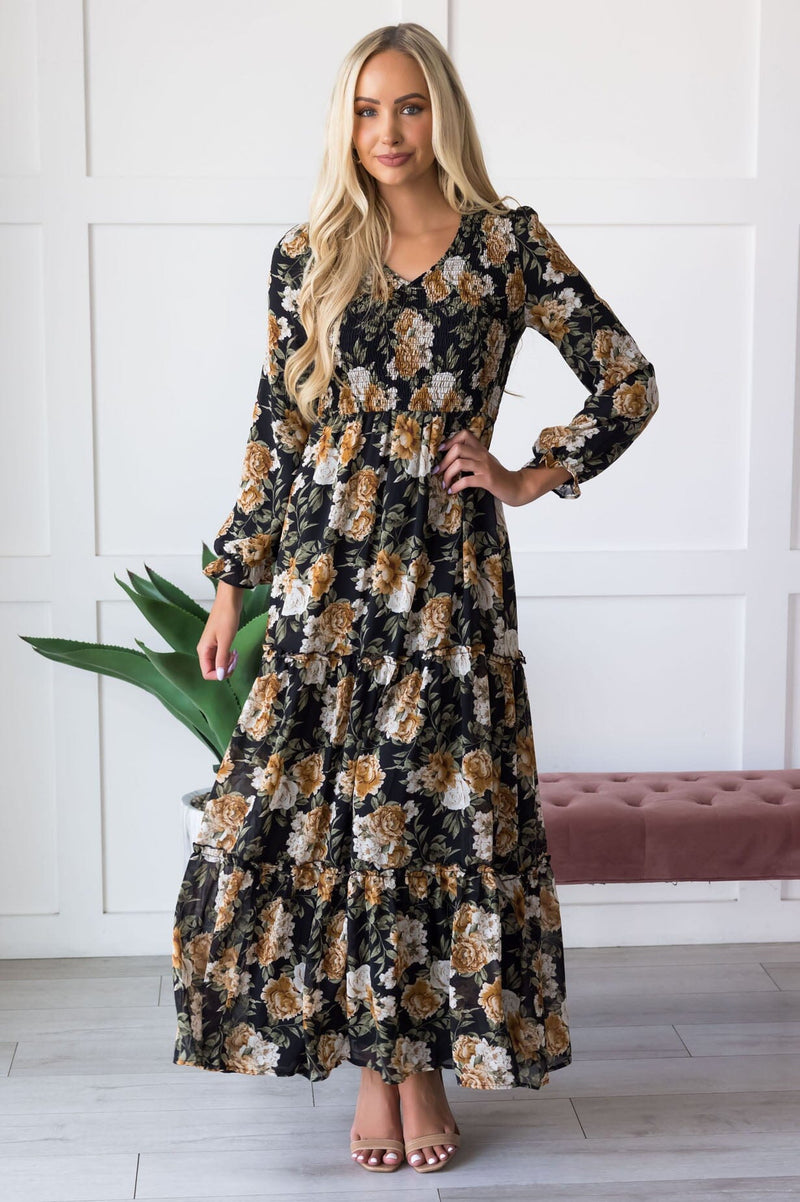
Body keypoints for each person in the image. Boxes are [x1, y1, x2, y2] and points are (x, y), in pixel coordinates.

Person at [171, 21, 659, 1177]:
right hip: (325, 579)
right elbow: (277, 428)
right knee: (340, 819)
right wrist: (231, 587)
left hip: (447, 577)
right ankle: (373, 1066)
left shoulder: (503, 243)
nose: (385, 131)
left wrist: (530, 473)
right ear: (343, 123)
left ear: (441, 113)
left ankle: (421, 1064)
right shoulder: (309, 253)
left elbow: (626, 378)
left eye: (406, 106)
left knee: (434, 816)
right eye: (364, 109)